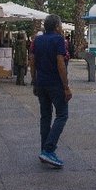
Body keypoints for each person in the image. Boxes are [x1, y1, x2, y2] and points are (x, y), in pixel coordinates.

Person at [29, 15, 72, 168]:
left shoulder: (37, 40)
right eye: (60, 25)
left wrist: (34, 80)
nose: (61, 27)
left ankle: (43, 150)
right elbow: (60, 62)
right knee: (62, 115)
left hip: (41, 83)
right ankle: (48, 149)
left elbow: (32, 61)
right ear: (56, 27)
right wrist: (66, 86)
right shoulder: (58, 40)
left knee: (45, 117)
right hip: (55, 84)